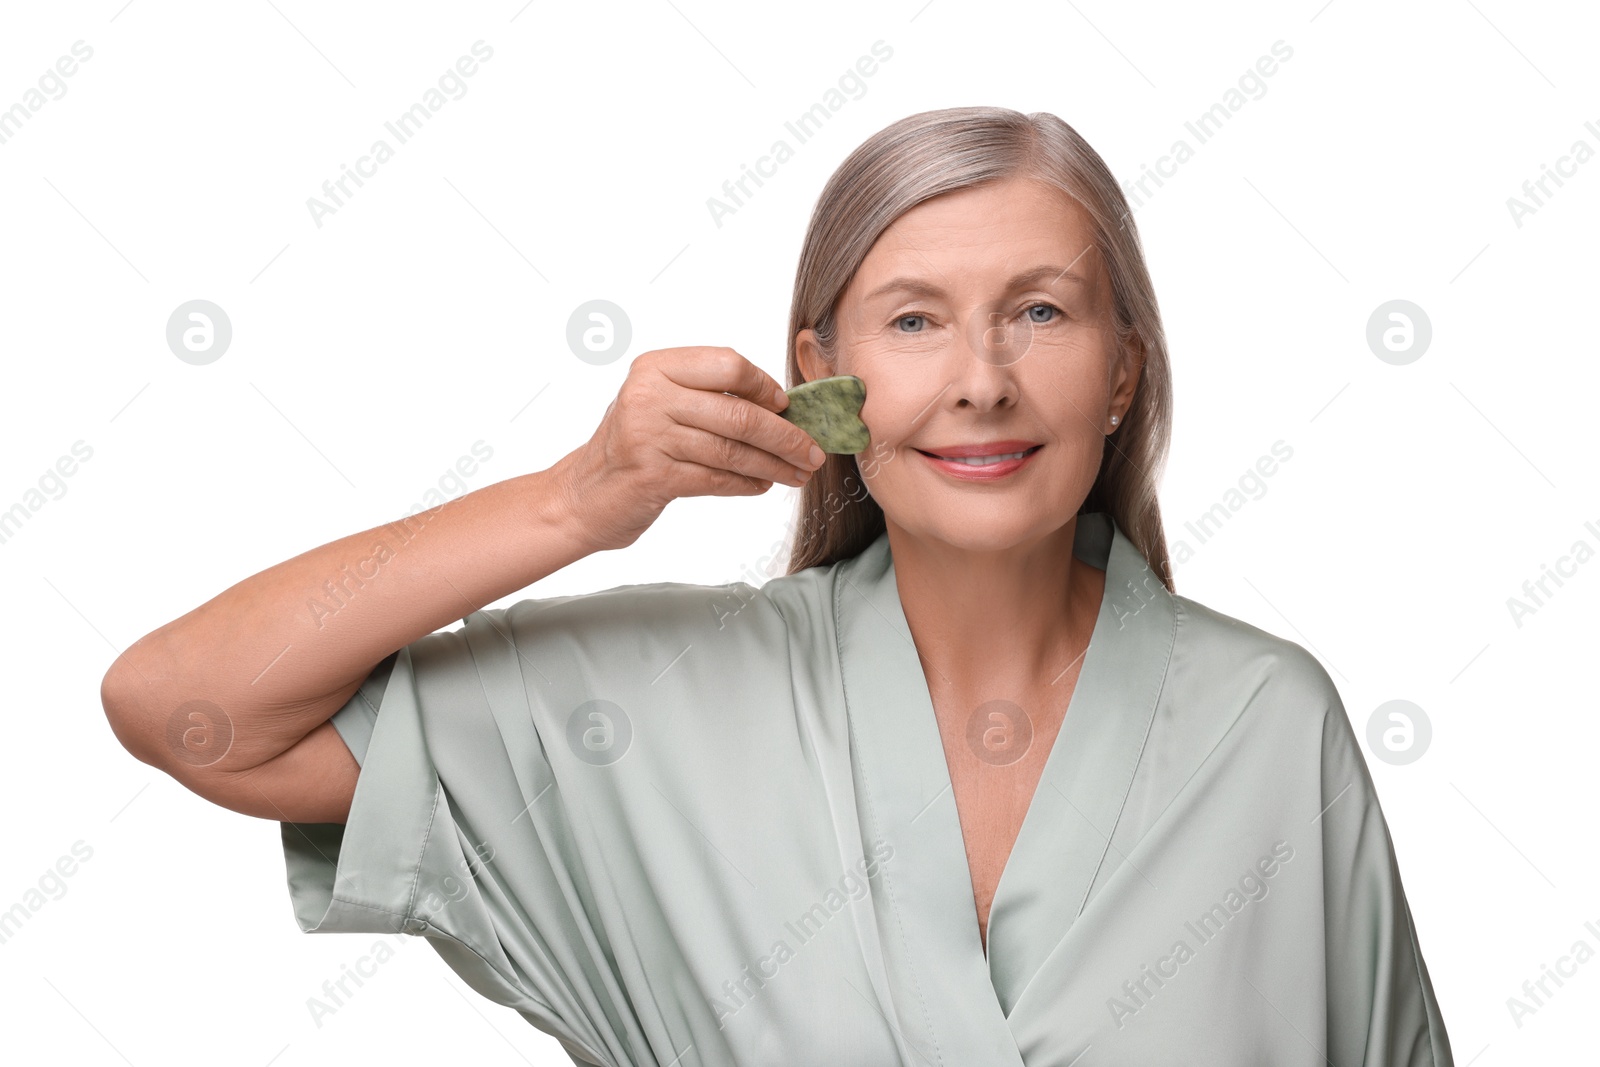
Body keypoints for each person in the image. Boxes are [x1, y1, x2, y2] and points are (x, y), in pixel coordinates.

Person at [101, 106, 1453, 1066]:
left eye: (1040, 310)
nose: (980, 377)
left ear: (1120, 371)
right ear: (828, 370)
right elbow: (187, 708)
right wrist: (580, 501)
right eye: (915, 319)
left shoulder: (1268, 724)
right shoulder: (649, 706)